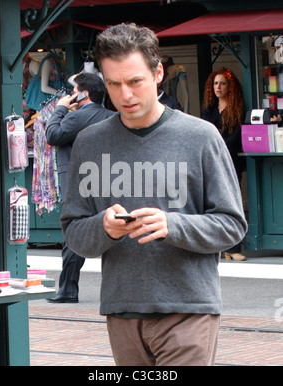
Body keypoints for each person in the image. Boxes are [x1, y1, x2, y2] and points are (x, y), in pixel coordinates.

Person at [60, 23, 247, 366]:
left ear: (158, 72)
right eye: (113, 84)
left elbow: (232, 225)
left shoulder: (201, 137)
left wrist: (171, 225)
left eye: (134, 82)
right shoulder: (90, 143)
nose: (125, 95)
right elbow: (73, 232)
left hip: (189, 310)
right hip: (122, 310)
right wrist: (103, 227)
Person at [46, 72, 114, 303]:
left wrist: (60, 108)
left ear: (83, 94)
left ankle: (67, 290)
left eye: (73, 91)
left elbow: (52, 135)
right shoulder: (112, 117)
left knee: (74, 235)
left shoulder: (76, 118)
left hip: (77, 185)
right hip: (107, 183)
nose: (70, 95)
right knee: (111, 231)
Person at [201, 67, 247, 261]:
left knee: (231, 200)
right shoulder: (209, 109)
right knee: (212, 201)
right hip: (212, 160)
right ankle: (220, 246)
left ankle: (234, 247)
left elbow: (237, 137)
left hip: (231, 160)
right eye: (216, 83)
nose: (218, 87)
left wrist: (219, 146)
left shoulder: (238, 109)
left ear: (231, 86)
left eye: (223, 83)